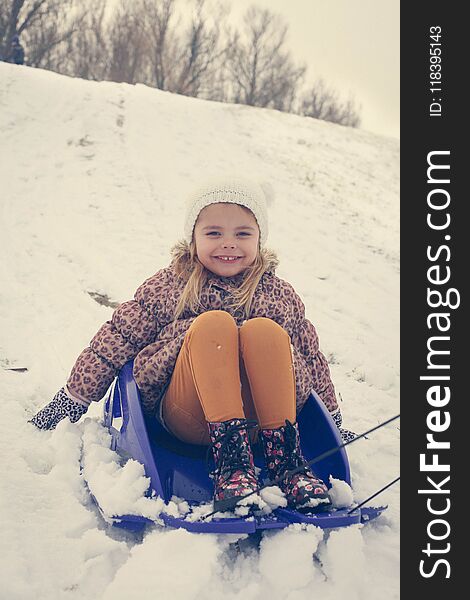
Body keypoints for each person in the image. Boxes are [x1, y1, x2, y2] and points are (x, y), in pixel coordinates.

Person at [30, 177, 354, 512]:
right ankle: (232, 462)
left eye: (243, 234)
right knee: (214, 324)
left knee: (265, 332)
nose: (228, 244)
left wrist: (332, 422)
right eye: (214, 233)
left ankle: (286, 462)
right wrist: (71, 400)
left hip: (264, 423)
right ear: (193, 238)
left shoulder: (280, 295)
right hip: (189, 414)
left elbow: (310, 359)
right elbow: (117, 338)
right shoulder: (171, 285)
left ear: (260, 239)